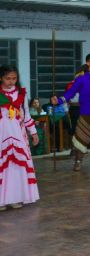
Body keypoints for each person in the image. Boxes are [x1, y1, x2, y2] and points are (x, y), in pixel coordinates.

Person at [51, 53, 90, 171]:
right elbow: (70, 93)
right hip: (87, 113)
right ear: (88, 63)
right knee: (81, 138)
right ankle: (78, 162)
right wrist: (58, 100)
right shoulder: (81, 78)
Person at [0, 65, 39, 211]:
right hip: (1, 135)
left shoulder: (21, 94)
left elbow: (27, 115)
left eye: (14, 78)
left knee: (17, 166)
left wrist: (33, 132)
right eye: (7, 78)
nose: (11, 81)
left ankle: (15, 197)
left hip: (17, 134)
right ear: (1, 78)